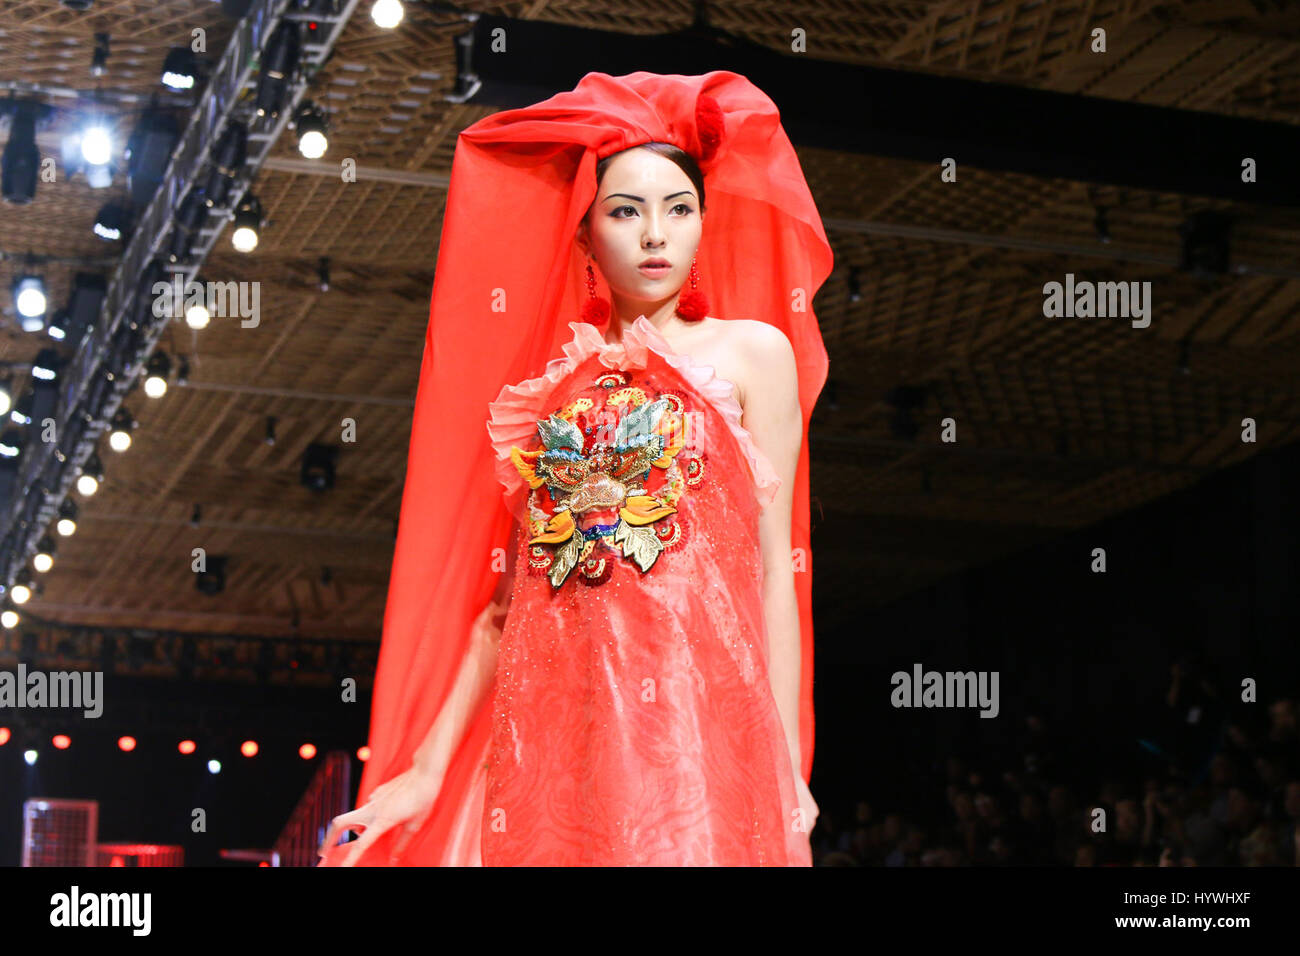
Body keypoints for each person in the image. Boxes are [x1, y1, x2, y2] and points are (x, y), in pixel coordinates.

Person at [318, 70, 833, 866]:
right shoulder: (547, 397)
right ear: (586, 232)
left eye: (679, 210)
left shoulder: (752, 354)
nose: (655, 235)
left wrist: (787, 760)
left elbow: (775, 572)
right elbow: (505, 609)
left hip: (698, 732)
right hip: (560, 732)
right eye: (626, 213)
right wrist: (423, 772)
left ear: (702, 224)